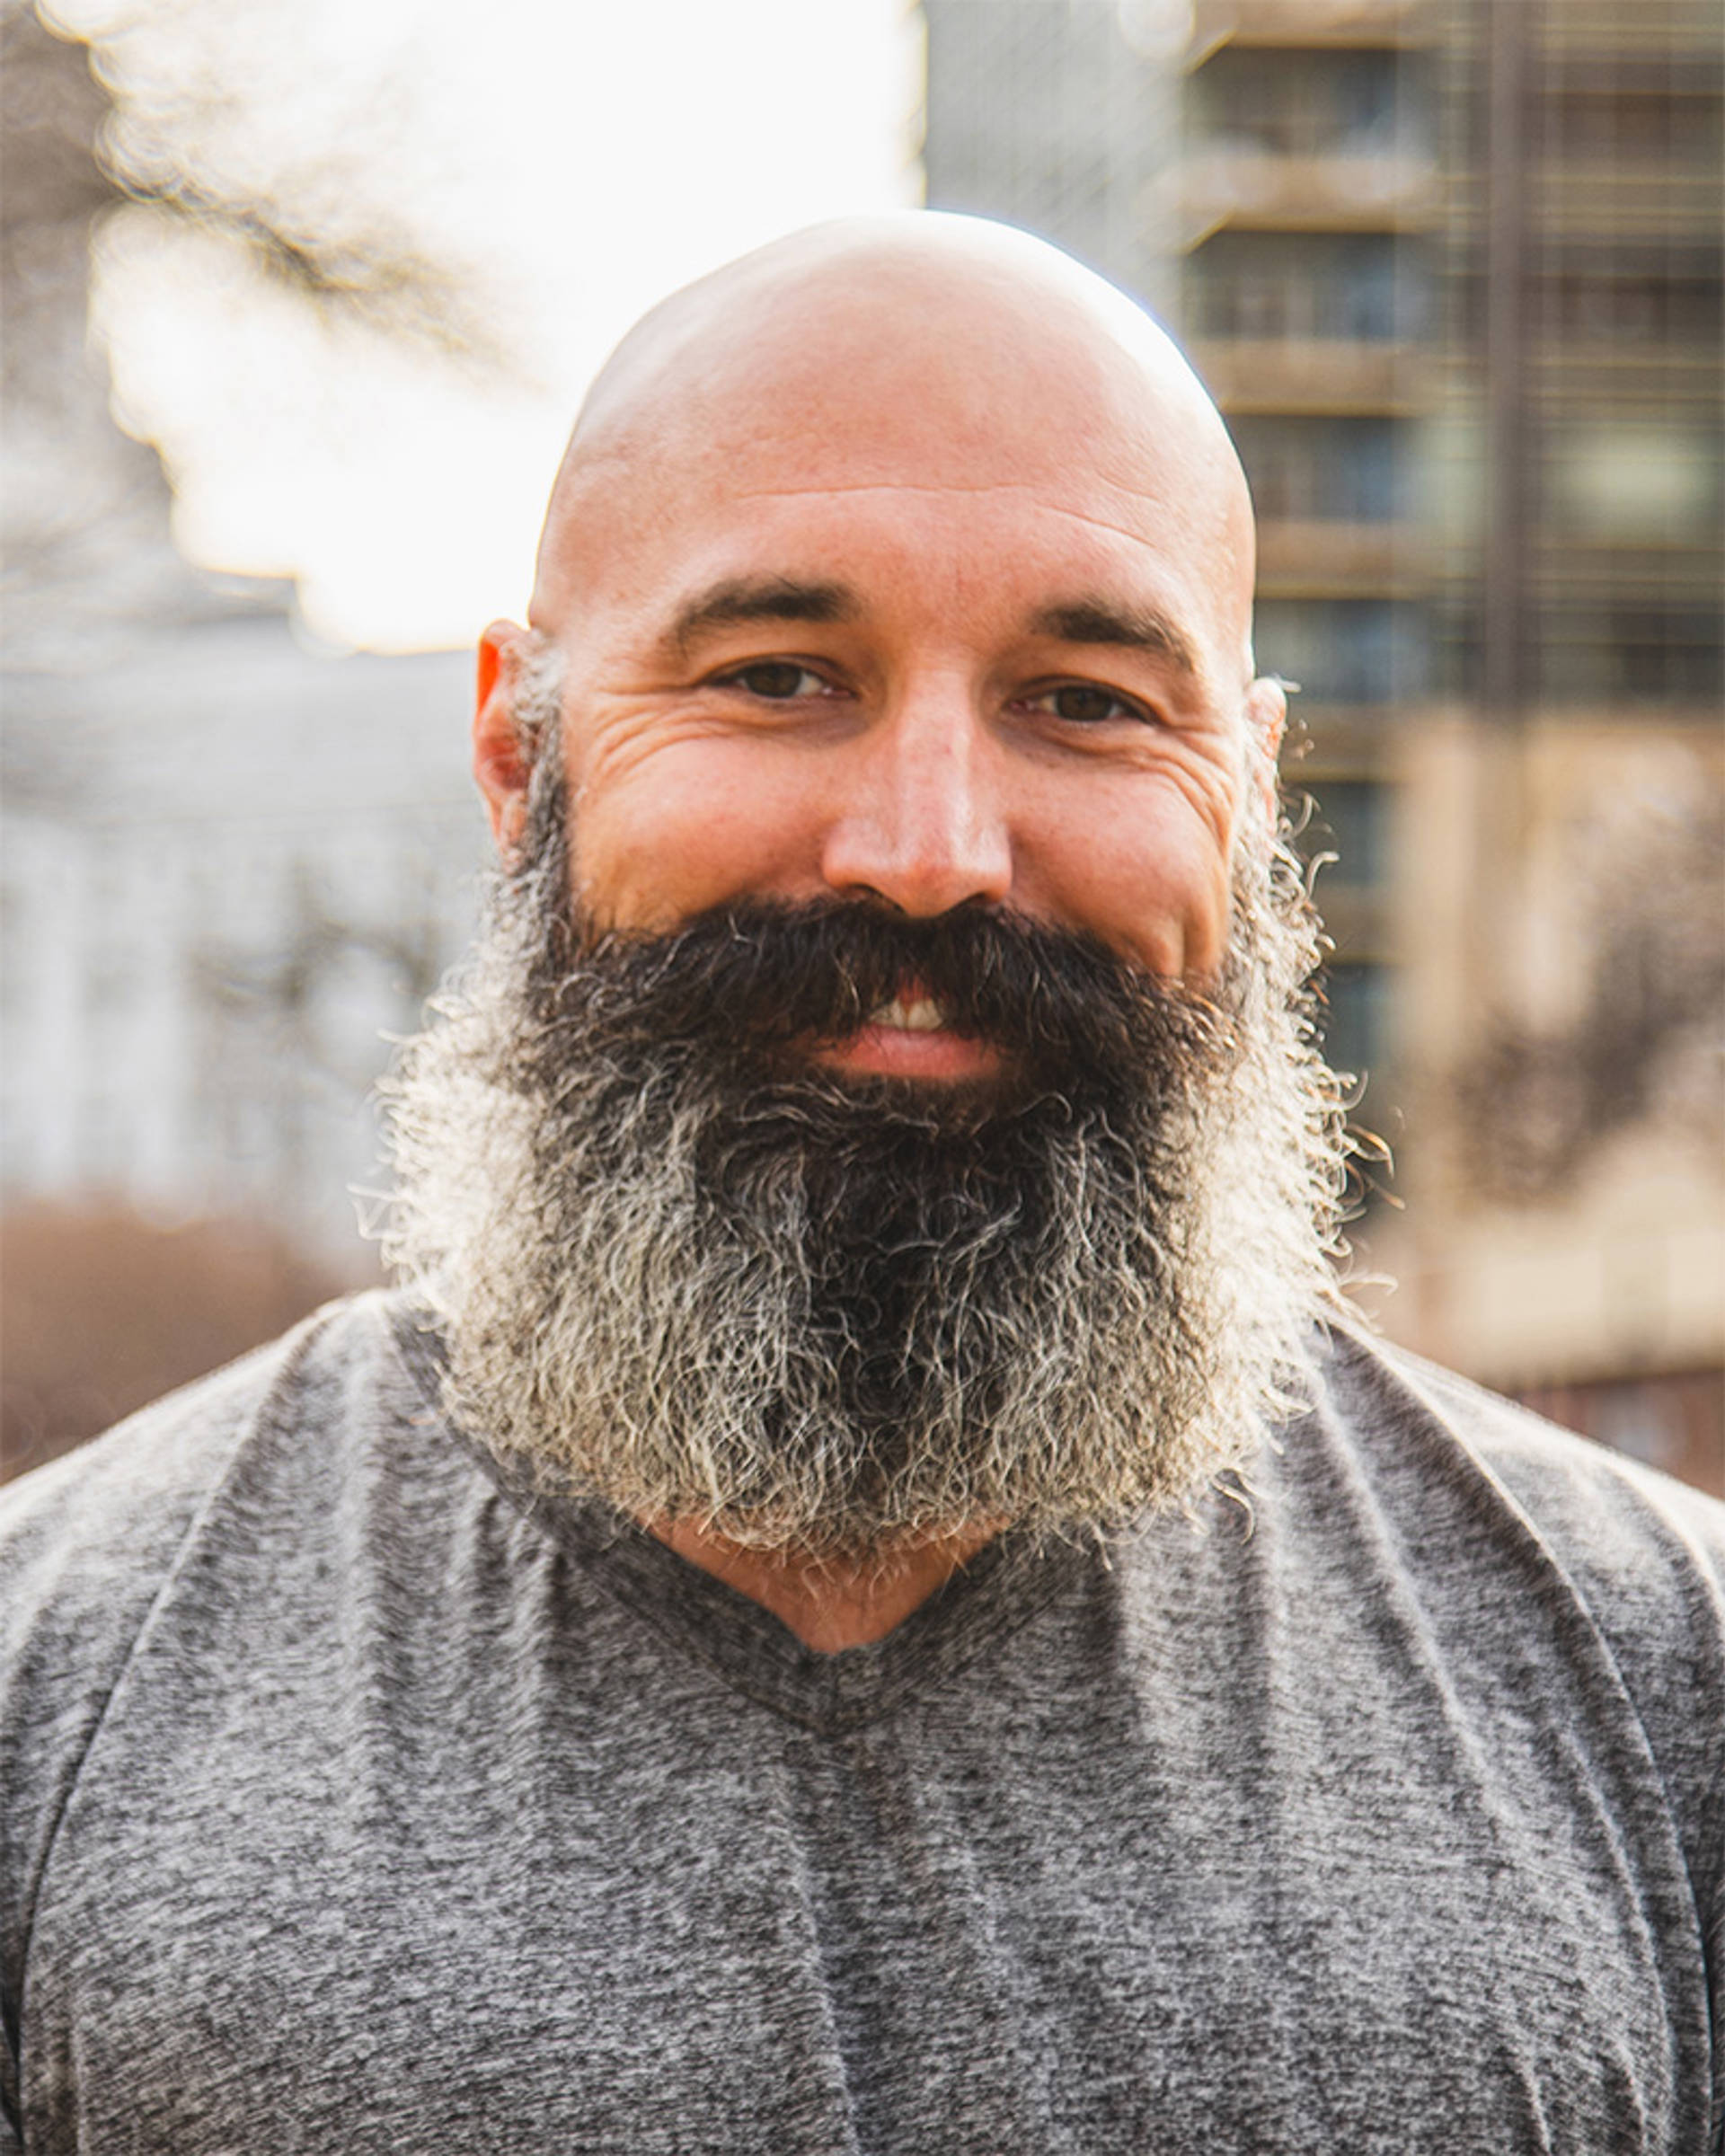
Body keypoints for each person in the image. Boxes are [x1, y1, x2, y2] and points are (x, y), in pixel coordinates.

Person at [2, 215, 1720, 2156]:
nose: (929, 851)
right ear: (516, 756)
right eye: (778, 675)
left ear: (1244, 797)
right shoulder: (47, 1689)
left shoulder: (1666, 1689)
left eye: (1084, 700)